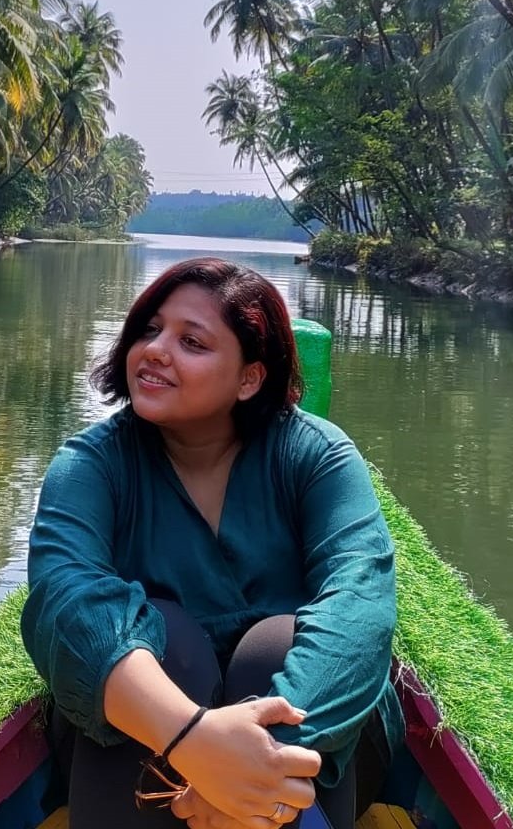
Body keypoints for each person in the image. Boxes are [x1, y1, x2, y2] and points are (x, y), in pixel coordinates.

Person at [21, 258, 402, 829]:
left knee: (276, 643)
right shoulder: (92, 464)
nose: (155, 350)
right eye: (150, 330)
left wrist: (251, 767)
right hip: (143, 744)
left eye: (191, 342)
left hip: (305, 744)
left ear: (249, 378)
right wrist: (194, 740)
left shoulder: (316, 456)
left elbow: (359, 605)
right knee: (166, 637)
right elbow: (66, 601)